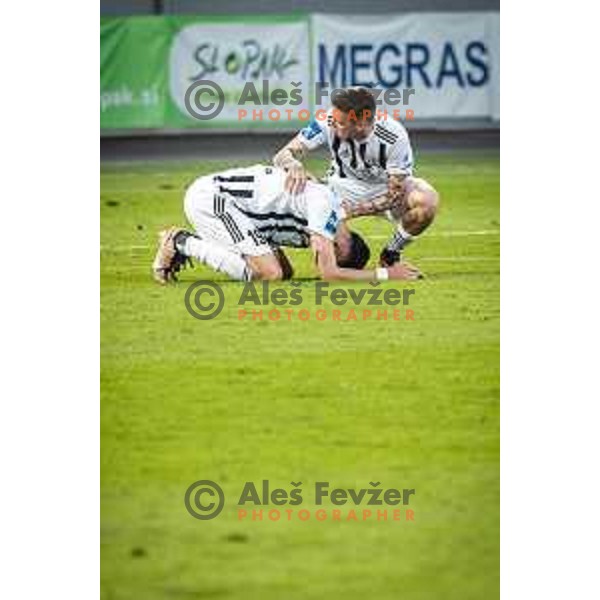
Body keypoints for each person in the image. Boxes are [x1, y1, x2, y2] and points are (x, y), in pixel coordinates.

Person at [152, 164, 422, 283]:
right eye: (333, 251)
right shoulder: (324, 209)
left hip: (240, 212)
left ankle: (186, 243)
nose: (321, 255)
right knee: (270, 274)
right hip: (213, 200)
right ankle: (180, 241)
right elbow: (329, 275)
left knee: (284, 271)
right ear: (344, 243)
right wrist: (388, 275)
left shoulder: (327, 217)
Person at [273, 87, 439, 266]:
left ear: (360, 123)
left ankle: (391, 252)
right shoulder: (329, 119)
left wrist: (349, 211)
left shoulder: (394, 137)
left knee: (427, 202)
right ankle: (271, 249)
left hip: (382, 189)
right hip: (340, 187)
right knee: (291, 183)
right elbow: (282, 155)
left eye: (341, 124)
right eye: (334, 120)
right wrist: (293, 164)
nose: (334, 126)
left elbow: (394, 195)